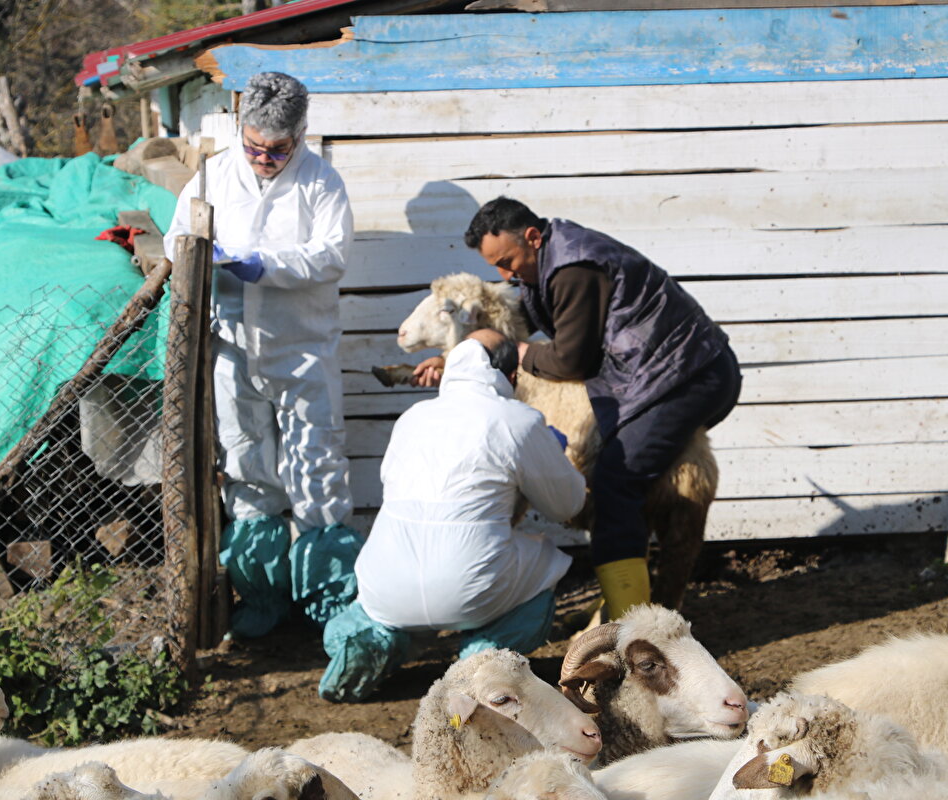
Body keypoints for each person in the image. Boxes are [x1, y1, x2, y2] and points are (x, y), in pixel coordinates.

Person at [437, 196, 743, 625]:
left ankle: (631, 626)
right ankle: (632, 606)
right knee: (630, 479)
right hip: (664, 377)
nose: (505, 276)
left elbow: (570, 361)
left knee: (617, 484)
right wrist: (459, 357)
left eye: (507, 262)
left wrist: (521, 352)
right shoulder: (551, 260)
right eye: (497, 269)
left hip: (689, 375)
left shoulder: (574, 268)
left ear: (532, 236)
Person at [162, 71, 361, 638]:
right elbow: (182, 240)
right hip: (232, 350)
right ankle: (262, 598)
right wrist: (204, 256)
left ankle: (329, 608)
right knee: (248, 469)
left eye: (277, 149)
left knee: (318, 470)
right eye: (254, 146)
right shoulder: (211, 175)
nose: (264, 158)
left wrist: (261, 265)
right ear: (240, 131)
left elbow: (330, 256)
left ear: (300, 135)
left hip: (302, 352)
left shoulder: (322, 183)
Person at [319, 329, 586, 702]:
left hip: (387, 586)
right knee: (546, 565)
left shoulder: (412, 418)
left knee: (379, 606)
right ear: (511, 376)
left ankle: (372, 640)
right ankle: (480, 662)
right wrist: (550, 454)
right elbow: (567, 505)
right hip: (471, 589)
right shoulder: (517, 421)